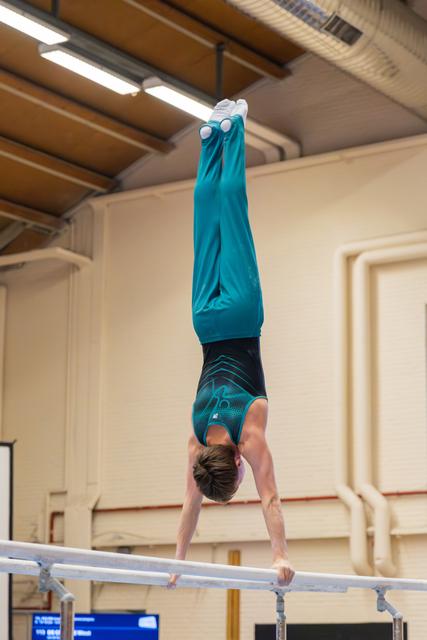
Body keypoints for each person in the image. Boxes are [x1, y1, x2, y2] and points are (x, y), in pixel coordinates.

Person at [168, 99, 295, 588]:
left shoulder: (251, 435)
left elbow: (271, 500)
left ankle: (234, 127)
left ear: (238, 464)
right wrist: (177, 561)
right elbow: (189, 504)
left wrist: (279, 557)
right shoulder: (196, 439)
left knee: (234, 219)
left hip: (242, 317)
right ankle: (210, 140)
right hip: (203, 321)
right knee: (207, 231)